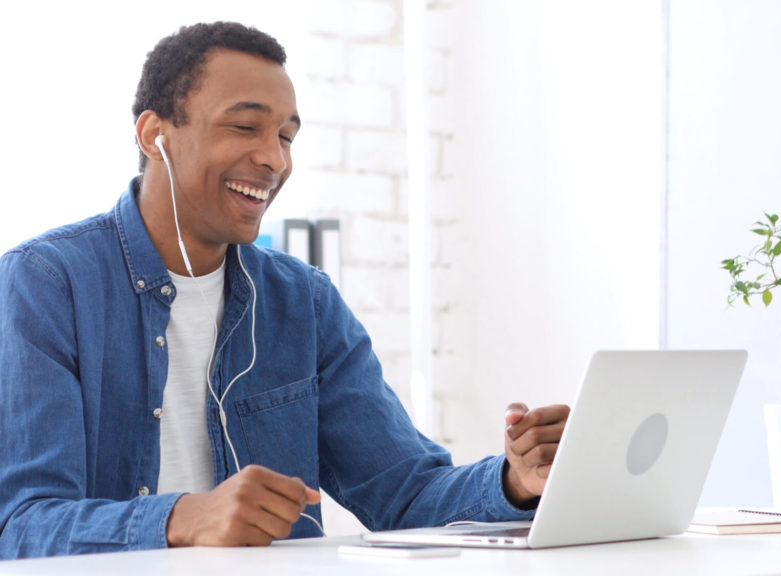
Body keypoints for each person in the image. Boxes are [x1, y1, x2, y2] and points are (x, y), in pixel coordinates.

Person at [0, 21, 569, 559]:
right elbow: (22, 526)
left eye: (286, 136)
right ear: (156, 136)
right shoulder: (47, 283)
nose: (274, 158)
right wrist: (184, 519)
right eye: (245, 127)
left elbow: (406, 493)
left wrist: (514, 481)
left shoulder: (304, 302)